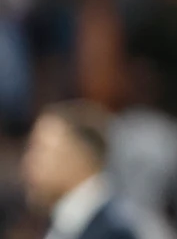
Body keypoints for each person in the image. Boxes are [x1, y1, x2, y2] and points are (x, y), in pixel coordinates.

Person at [21, 100, 139, 239]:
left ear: (81, 156)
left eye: (41, 149)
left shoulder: (113, 231)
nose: (27, 162)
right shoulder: (66, 224)